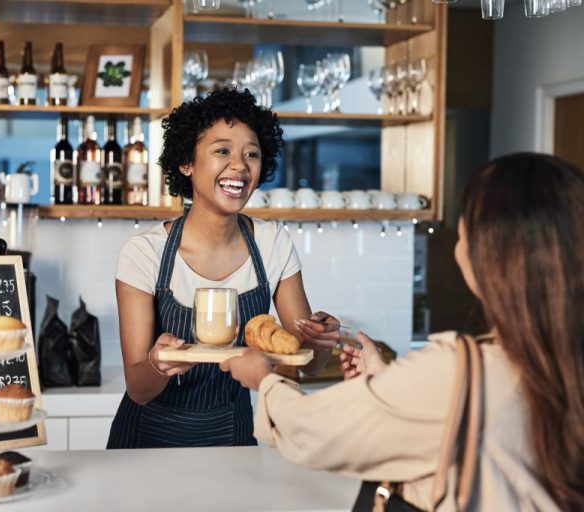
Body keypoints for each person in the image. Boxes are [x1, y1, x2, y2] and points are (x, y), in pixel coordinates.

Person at [221, 153, 584, 511]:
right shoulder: (560, 361)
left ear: (490, 255)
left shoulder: (460, 370)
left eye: (465, 230)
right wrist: (391, 383)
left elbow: (315, 432)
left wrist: (264, 381)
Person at [107, 88, 340, 449]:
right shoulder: (145, 253)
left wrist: (321, 340)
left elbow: (306, 363)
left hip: (232, 437)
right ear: (186, 162)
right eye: (222, 151)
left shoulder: (272, 243)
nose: (240, 165)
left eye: (252, 154)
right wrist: (158, 363)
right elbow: (138, 389)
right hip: (147, 443)